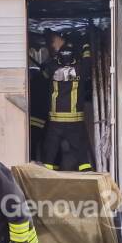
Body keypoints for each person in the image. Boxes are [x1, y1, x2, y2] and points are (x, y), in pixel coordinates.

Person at [41, 32, 94, 172]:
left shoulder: (53, 68)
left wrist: (59, 51)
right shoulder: (81, 69)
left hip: (55, 121)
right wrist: (85, 44)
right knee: (81, 152)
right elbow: (88, 60)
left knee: (50, 152)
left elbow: (44, 74)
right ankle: (86, 173)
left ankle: (46, 177)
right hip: (75, 122)